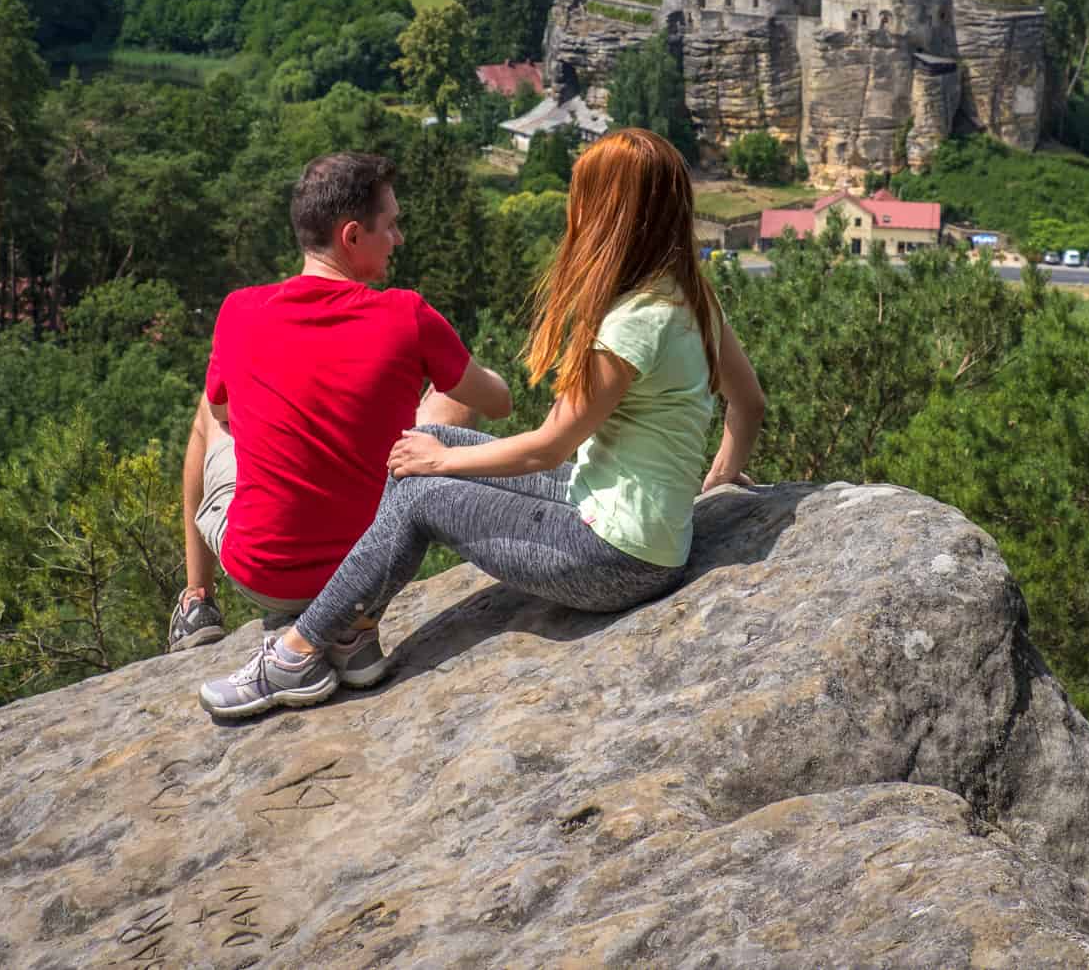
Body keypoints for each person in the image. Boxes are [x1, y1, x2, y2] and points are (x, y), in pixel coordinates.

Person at [199, 127, 765, 720]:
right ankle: (354, 633)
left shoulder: (628, 326)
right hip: (619, 521)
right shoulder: (687, 296)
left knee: (423, 490)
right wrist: (717, 484)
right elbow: (747, 403)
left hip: (616, 559)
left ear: (607, 214)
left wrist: (442, 465)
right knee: (430, 438)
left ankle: (298, 653)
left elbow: (547, 448)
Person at [169, 152, 514, 698]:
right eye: (391, 225)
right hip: (373, 565)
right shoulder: (407, 314)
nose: (398, 238)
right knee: (452, 397)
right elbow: (498, 401)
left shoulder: (238, 311)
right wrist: (451, 364)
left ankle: (195, 601)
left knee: (205, 411)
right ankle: (352, 629)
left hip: (266, 576)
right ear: (351, 235)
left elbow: (221, 416)